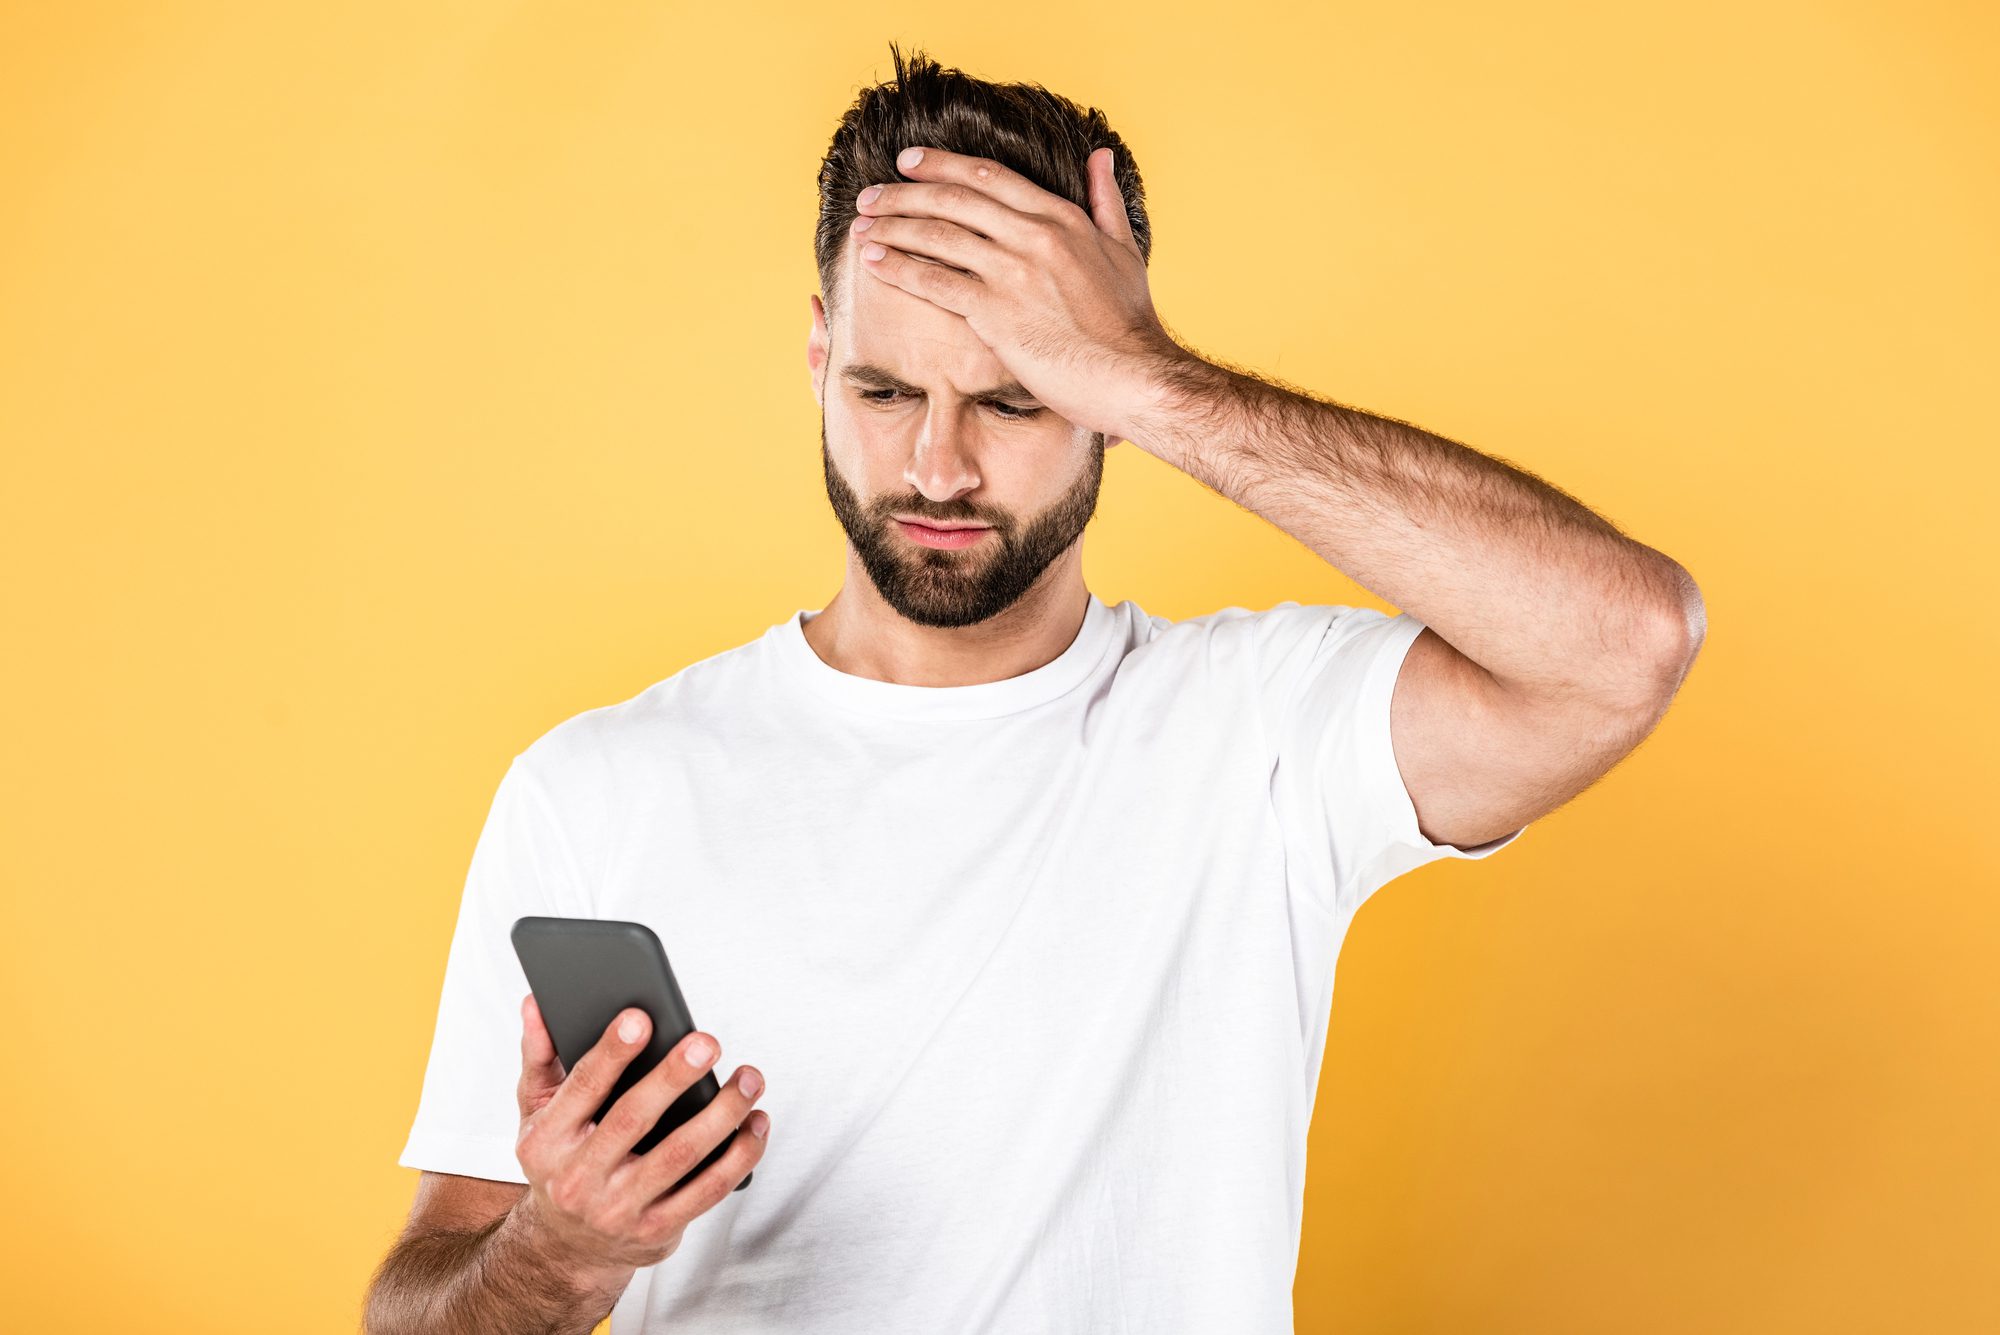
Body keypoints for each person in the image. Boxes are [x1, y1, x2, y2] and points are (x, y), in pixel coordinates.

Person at [365, 41, 1704, 1335]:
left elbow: (1622, 642)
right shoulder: (595, 788)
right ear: (820, 352)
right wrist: (561, 1250)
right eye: (887, 389)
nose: (937, 466)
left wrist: (1154, 380)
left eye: (1012, 402)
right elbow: (415, 1321)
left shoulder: (1257, 738)